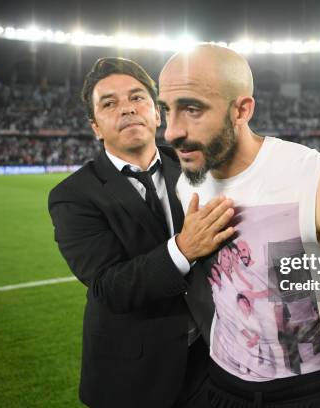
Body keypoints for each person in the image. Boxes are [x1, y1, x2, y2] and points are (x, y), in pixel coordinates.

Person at [159, 45, 320, 407]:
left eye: (192, 109)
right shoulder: (188, 184)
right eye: (167, 110)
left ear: (241, 110)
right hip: (221, 385)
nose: (171, 132)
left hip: (309, 392)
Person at [48, 57, 235, 408]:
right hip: (135, 377)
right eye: (109, 103)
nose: (127, 109)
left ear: (157, 114)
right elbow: (109, 287)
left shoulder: (197, 166)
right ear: (96, 127)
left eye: (137, 98)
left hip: (214, 359)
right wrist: (182, 249)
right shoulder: (72, 195)